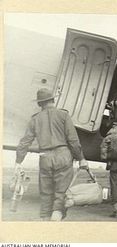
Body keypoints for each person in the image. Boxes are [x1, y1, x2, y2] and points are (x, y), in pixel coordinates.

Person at [15, 88, 88, 221]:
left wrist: (18, 161)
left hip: (45, 157)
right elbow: (73, 140)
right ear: (53, 100)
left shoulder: (35, 119)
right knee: (61, 193)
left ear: (39, 104)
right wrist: (81, 158)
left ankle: (45, 219)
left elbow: (25, 142)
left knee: (46, 193)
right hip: (63, 156)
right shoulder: (64, 115)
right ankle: (57, 216)